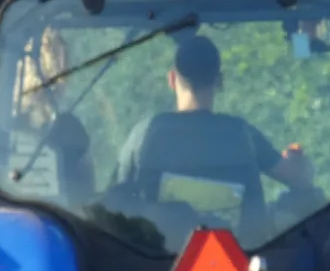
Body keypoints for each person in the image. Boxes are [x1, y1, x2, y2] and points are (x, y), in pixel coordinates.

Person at [112, 35, 318, 200]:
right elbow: (299, 179)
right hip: (242, 251)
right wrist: (299, 162)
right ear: (219, 81)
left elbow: (114, 199)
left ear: (172, 79)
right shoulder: (242, 135)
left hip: (158, 251)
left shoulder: (144, 136)